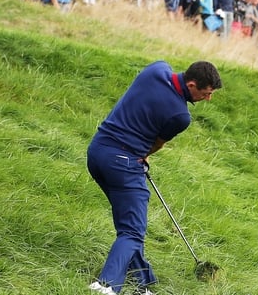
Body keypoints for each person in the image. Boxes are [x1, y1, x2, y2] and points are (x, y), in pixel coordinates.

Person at [87, 60, 222, 295]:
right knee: (133, 231)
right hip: (123, 164)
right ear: (192, 85)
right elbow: (156, 143)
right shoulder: (181, 116)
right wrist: (144, 156)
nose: (208, 99)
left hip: (97, 152)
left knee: (129, 223)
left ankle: (143, 285)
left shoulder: (156, 69)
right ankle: (105, 285)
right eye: (206, 93)